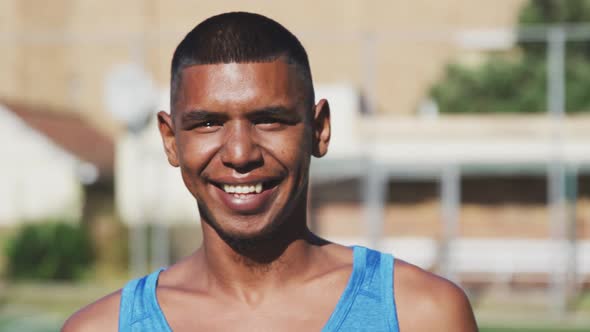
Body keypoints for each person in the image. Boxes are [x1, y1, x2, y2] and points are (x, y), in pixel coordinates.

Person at [63, 12, 478, 331]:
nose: (240, 153)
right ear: (171, 140)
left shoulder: (421, 314)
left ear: (319, 130)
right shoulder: (101, 327)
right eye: (208, 123)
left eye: (269, 119)